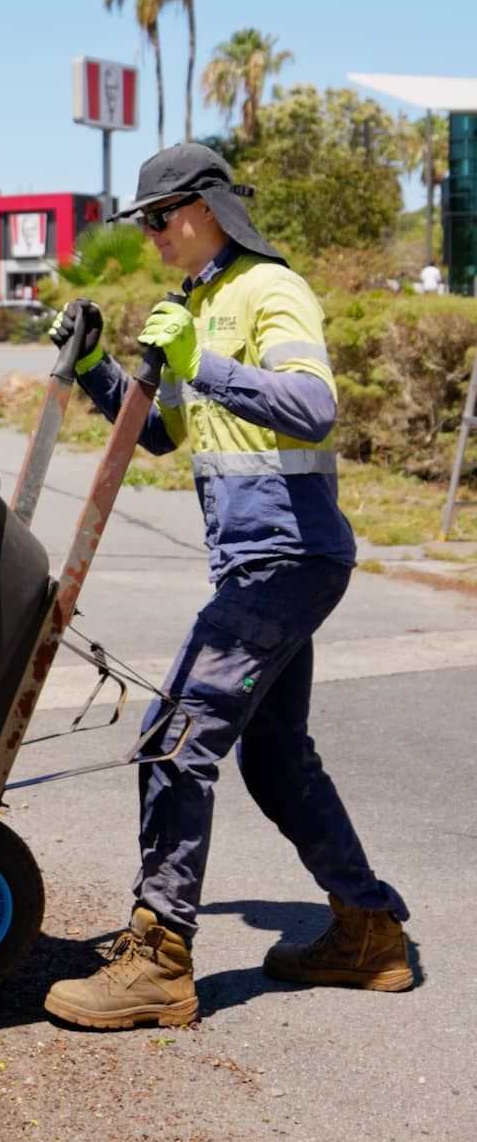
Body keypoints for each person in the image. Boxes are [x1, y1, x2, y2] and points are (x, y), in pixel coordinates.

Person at [44, 143, 412, 1031]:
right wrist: (98, 363)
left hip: (288, 554)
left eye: (161, 219)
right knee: (277, 758)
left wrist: (202, 359)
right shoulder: (194, 304)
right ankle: (369, 933)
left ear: (204, 206)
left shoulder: (268, 291)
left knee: (176, 734)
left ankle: (160, 959)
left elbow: (312, 405)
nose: (154, 237)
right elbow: (165, 435)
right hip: (259, 560)